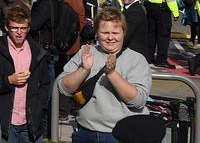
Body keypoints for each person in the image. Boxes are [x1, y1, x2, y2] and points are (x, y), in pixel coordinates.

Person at [59, 9, 151, 142]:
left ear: (123, 33)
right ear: (97, 33)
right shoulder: (86, 52)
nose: (110, 38)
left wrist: (112, 74)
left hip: (122, 134)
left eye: (115, 33)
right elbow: (63, 88)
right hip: (86, 131)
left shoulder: (136, 59)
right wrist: (84, 70)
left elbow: (137, 101)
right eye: (105, 33)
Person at [0, 6, 50, 143]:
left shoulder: (37, 51)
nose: (19, 33)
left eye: (23, 28)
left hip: (31, 122)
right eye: (14, 28)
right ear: (7, 28)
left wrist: (39, 105)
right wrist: (8, 80)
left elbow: (45, 83)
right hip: (6, 121)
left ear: (28, 29)